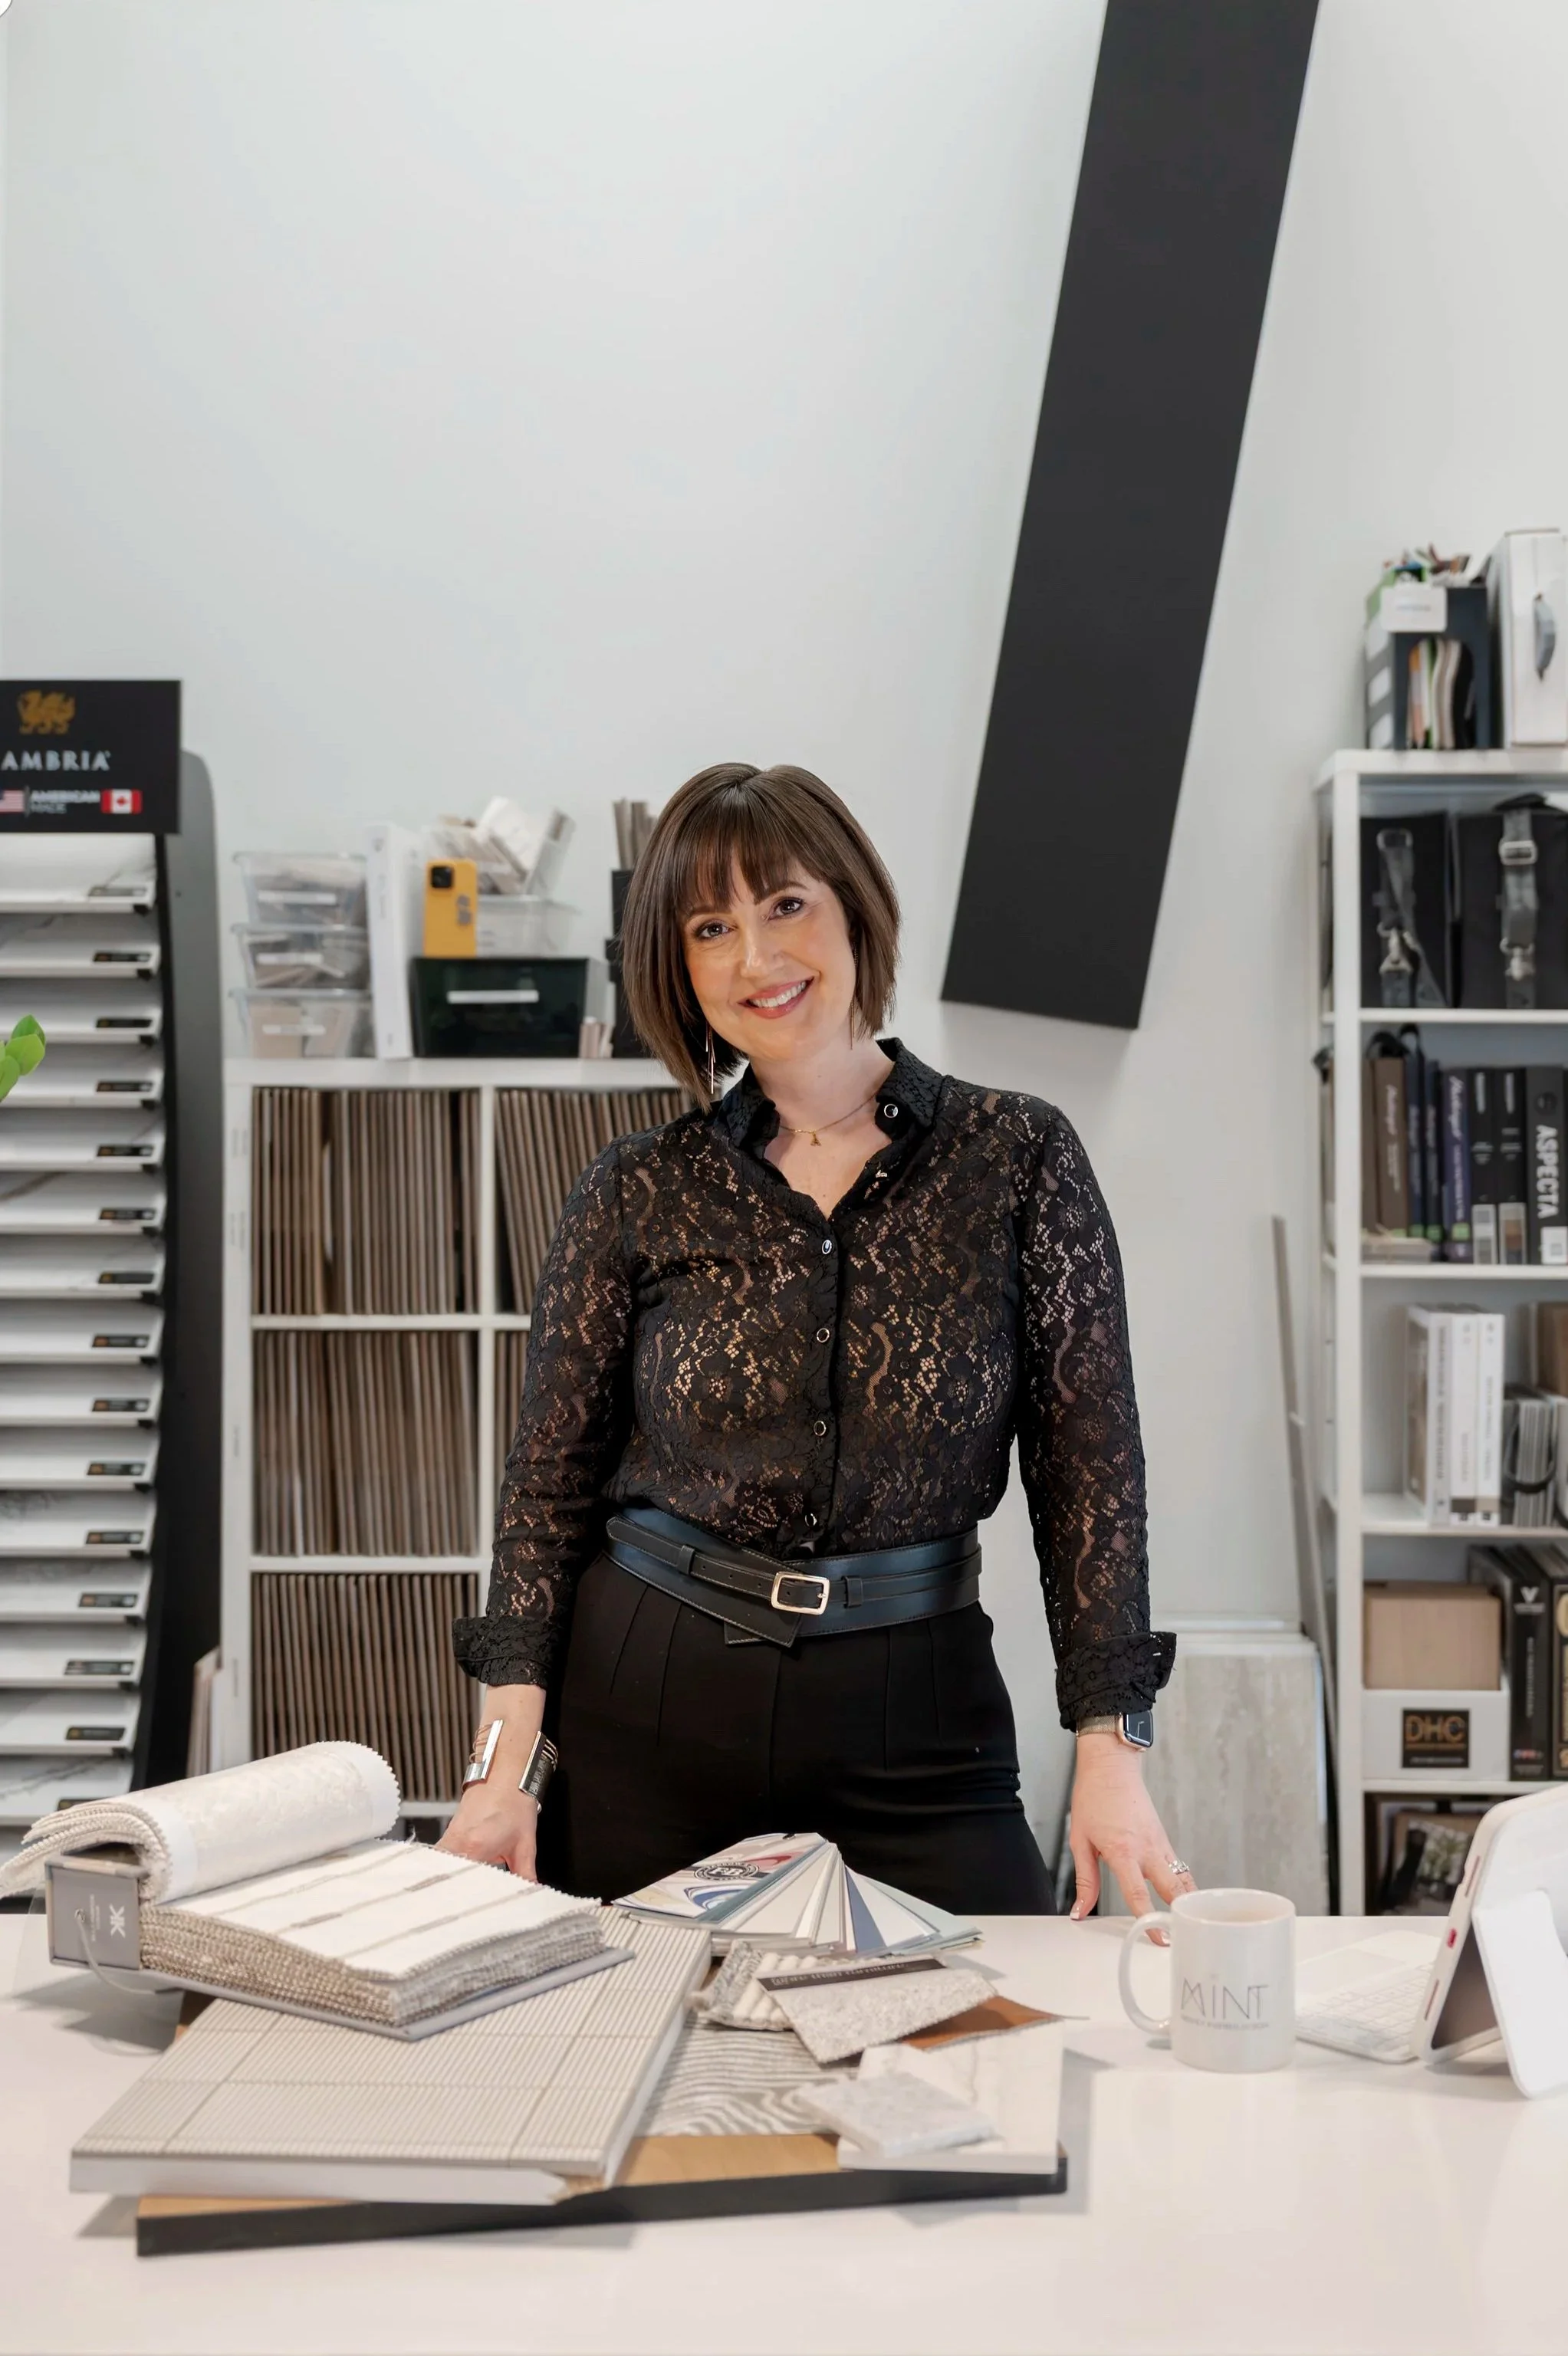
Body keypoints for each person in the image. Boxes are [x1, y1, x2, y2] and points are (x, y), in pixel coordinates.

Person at [441, 762, 1185, 1921]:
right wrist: (499, 1776)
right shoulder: (637, 1188)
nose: (757, 957)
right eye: (711, 926)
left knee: (982, 2037)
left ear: (852, 909)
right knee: (635, 2063)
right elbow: (545, 1493)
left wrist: (1112, 1755)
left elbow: (1091, 1477)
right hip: (651, 1694)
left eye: (785, 904)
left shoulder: (1018, 1157)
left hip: (919, 1701)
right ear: (679, 971)